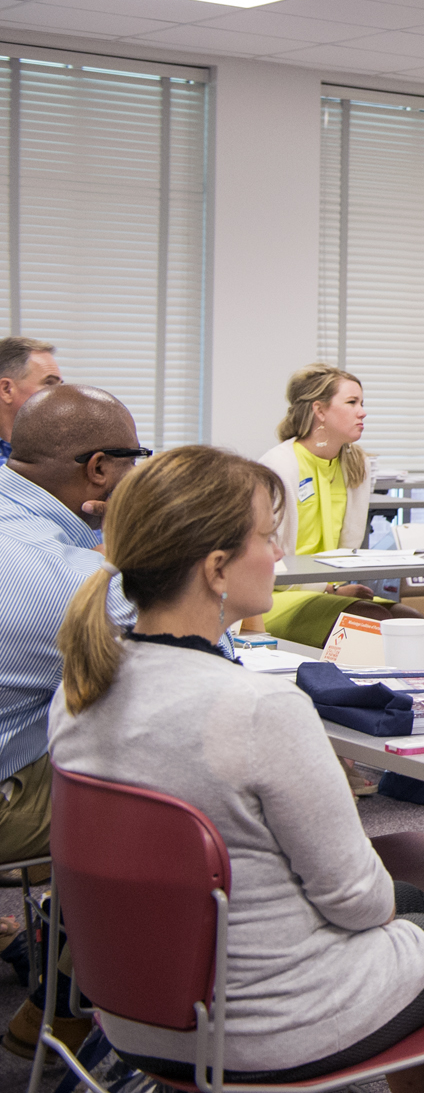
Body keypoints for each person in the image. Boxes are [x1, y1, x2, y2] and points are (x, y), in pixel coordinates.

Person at [49, 445, 424, 1093]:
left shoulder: (81, 686)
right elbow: (358, 900)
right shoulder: (260, 707)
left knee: (413, 904)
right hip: (264, 1031)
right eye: (266, 537)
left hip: (136, 1015)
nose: (280, 554)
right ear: (215, 569)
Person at [0, 385, 140, 1056]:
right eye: (135, 460)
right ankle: (62, 1009)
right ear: (100, 470)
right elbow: (201, 656)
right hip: (6, 797)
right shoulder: (74, 573)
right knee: (167, 795)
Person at [248, 363, 424, 648]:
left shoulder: (357, 465)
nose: (362, 411)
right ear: (320, 411)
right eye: (352, 402)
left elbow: (346, 550)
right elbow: (269, 565)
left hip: (330, 589)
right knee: (370, 623)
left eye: (362, 403)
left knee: (411, 622)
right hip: (273, 595)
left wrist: (336, 587)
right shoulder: (279, 466)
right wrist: (330, 588)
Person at [0, 337, 62, 464]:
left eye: (60, 386)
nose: (61, 394)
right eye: (49, 383)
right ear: (6, 390)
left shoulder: (65, 454)